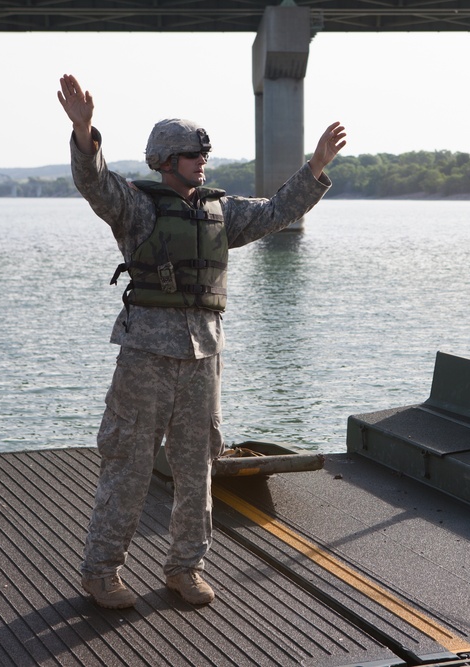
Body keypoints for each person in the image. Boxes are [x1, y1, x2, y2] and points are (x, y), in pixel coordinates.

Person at [57, 74, 346, 610]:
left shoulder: (220, 210)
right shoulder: (136, 207)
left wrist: (316, 168)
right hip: (146, 358)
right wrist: (83, 130)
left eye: (204, 153)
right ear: (166, 160)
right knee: (128, 463)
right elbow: (94, 182)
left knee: (198, 468)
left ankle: (186, 568)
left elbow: (278, 211)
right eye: (193, 153)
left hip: (203, 360)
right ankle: (102, 572)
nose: (202, 160)